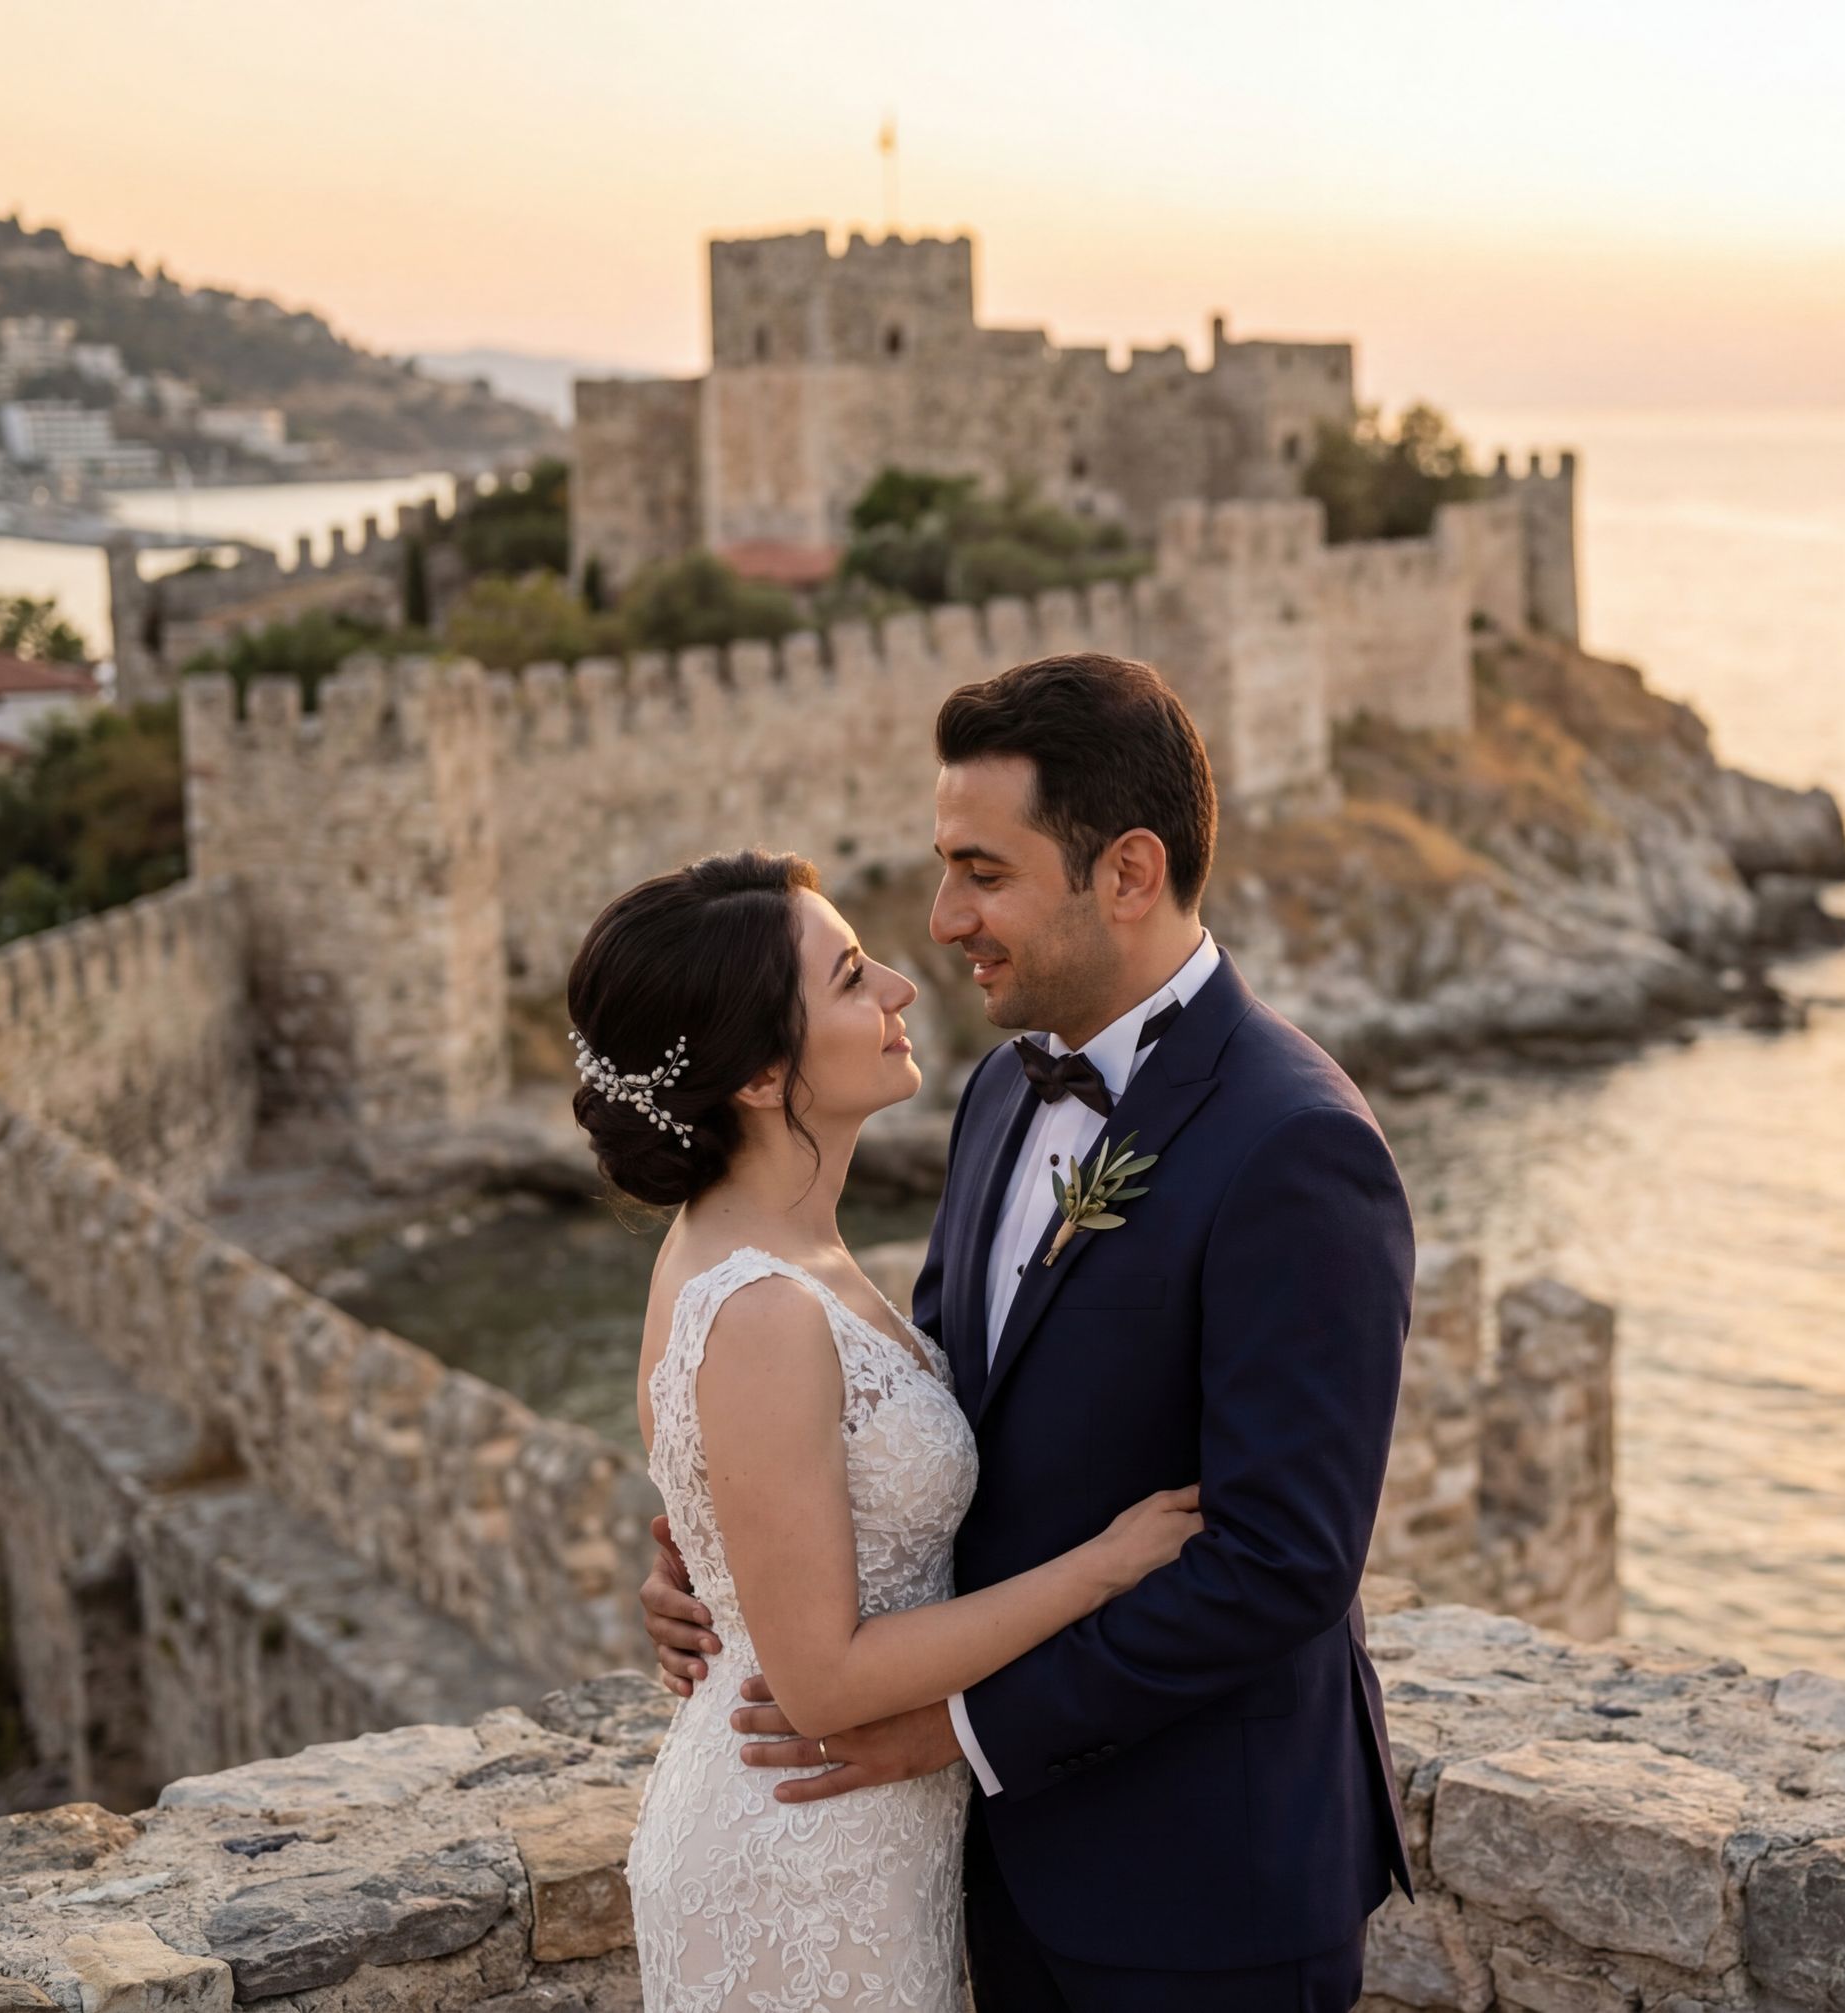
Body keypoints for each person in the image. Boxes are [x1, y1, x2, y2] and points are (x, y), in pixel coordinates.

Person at [641, 653, 1416, 2011]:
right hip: (987, 1878)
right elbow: (947, 1413)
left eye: (982, 872)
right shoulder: (1001, 1092)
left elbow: (1281, 1562)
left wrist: (958, 1730)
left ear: (1127, 872)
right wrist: (732, 1546)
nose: (944, 920)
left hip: (1206, 1886)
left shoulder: (1295, 1145)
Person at [576, 847, 1205, 2013]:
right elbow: (822, 1682)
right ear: (762, 1074)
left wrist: (709, 1575)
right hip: (797, 1855)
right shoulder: (763, 1307)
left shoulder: (780, 1250)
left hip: (860, 1833)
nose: (902, 988)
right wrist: (1108, 1566)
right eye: (853, 977)